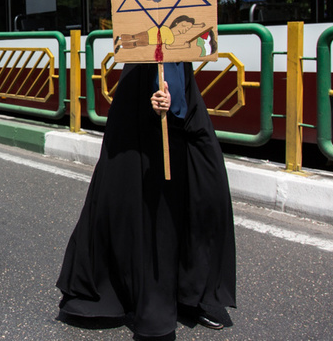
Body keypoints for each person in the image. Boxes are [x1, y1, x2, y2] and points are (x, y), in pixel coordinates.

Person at [56, 62, 236, 339]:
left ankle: (190, 296)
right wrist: (154, 105)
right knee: (152, 233)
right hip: (142, 158)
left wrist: (174, 108)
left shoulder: (180, 59)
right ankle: (151, 304)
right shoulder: (138, 62)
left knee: (200, 210)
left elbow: (188, 104)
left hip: (179, 152)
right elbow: (131, 114)